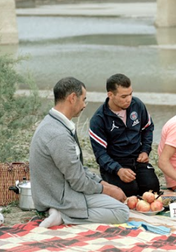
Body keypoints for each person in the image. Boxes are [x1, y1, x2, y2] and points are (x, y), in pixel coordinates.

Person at [29, 76, 129, 228]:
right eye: (83, 99)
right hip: (59, 196)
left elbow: (77, 169)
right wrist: (107, 190)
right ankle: (64, 215)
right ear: (72, 98)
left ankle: (65, 213)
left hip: (63, 188)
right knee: (121, 212)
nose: (84, 105)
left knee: (113, 199)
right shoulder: (57, 134)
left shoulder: (56, 123)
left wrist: (103, 184)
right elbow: (78, 180)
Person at [89, 73, 160, 197]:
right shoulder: (99, 119)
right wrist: (118, 170)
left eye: (130, 94)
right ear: (110, 95)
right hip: (116, 164)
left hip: (137, 159)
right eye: (123, 96)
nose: (129, 99)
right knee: (128, 192)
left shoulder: (137, 105)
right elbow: (100, 155)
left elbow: (148, 127)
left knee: (152, 188)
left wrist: (145, 150)